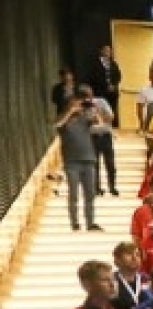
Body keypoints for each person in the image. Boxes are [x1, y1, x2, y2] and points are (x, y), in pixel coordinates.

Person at [56, 88, 103, 232]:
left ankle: (90, 222)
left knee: (90, 193)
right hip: (72, 162)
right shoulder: (64, 120)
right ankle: (74, 222)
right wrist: (70, 112)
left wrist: (94, 110)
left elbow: (100, 125)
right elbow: (57, 126)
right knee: (73, 193)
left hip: (88, 159)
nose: (78, 104)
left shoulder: (85, 118)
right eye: (75, 101)